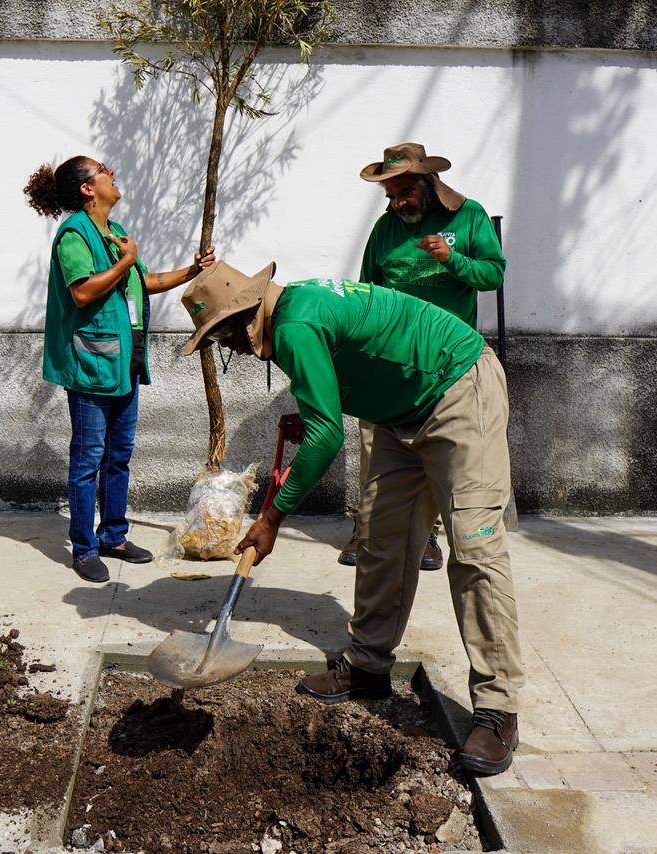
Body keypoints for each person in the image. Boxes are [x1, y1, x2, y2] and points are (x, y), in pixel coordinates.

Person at [179, 262, 522, 776]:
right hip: (395, 410)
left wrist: (272, 517)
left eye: (223, 337)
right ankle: (367, 666)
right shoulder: (293, 311)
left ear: (243, 317)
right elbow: (339, 384)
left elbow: (325, 438)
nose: (230, 350)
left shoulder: (294, 324)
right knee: (381, 539)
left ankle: (498, 709)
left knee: (475, 550)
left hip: (457, 388)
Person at [23, 156, 214, 583]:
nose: (113, 172)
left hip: (124, 365)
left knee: (119, 457)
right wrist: (126, 262)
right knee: (88, 459)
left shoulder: (118, 233)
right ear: (88, 188)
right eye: (105, 168)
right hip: (92, 365)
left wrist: (192, 270)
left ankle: (113, 535)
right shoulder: (74, 235)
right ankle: (84, 547)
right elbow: (83, 292)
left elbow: (142, 282)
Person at [339, 142, 506, 571]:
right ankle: (369, 530)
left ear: (427, 183)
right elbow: (366, 291)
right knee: (376, 447)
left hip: (447, 366)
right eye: (390, 196)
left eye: (404, 193)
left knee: (439, 454)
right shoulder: (385, 228)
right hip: (389, 362)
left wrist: (453, 260)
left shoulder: (468, 217)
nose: (397, 203)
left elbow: (493, 274)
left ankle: (429, 537)